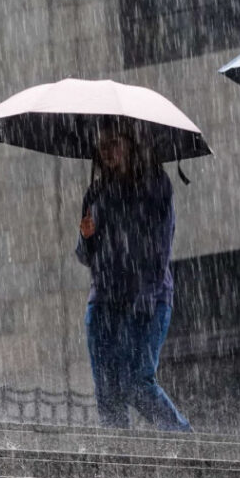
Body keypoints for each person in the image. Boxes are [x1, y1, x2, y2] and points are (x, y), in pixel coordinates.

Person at [74, 122, 191, 432]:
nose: (107, 150)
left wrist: (144, 299)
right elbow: (85, 255)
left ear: (130, 144)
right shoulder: (96, 192)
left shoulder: (155, 185)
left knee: (136, 380)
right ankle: (120, 460)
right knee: (108, 390)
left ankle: (184, 439)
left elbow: (161, 247)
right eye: (102, 145)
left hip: (146, 298)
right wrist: (86, 236)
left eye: (114, 143)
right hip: (103, 302)